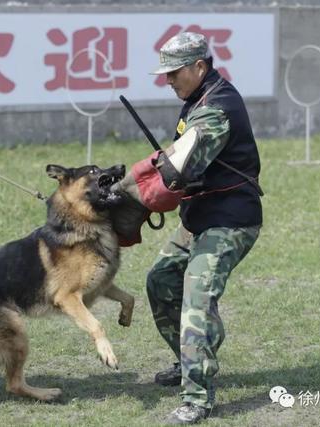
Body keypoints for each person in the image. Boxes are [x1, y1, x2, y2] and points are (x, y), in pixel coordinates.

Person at [112, 32, 262, 424]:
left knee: (197, 301)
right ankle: (189, 361)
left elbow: (181, 169)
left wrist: (134, 194)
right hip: (198, 218)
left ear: (199, 66)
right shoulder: (195, 99)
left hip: (229, 221)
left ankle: (197, 398)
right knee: (160, 282)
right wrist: (128, 186)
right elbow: (175, 161)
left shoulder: (216, 107)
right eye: (165, 74)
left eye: (174, 73)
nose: (168, 81)